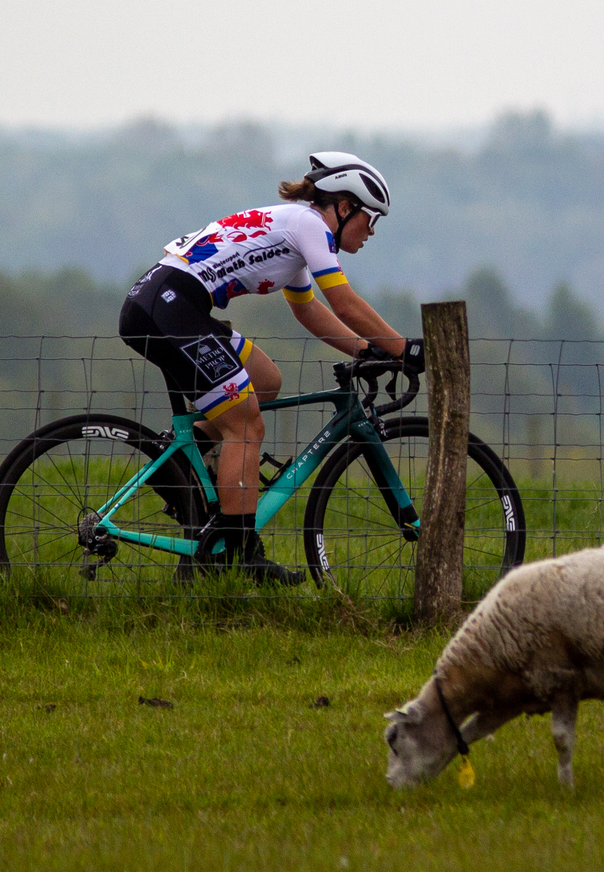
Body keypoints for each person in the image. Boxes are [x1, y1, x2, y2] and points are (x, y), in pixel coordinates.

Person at [117, 151, 417, 580]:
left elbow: (309, 311)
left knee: (266, 380)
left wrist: (367, 350)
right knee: (246, 425)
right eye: (372, 218)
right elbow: (345, 303)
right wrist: (403, 349)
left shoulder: (295, 230)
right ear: (345, 206)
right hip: (170, 307)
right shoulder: (311, 226)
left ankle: (183, 470)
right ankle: (242, 554)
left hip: (170, 303)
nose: (372, 231)